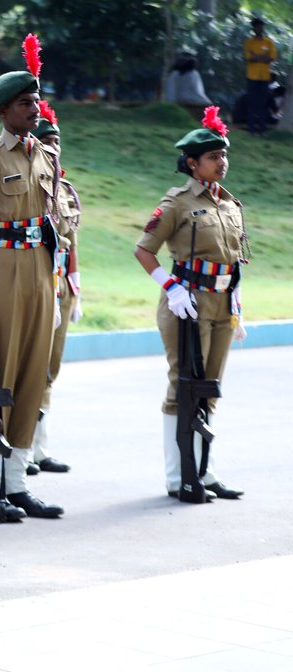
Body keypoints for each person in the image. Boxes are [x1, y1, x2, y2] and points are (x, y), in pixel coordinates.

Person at [0, 63, 64, 520]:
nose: (33, 109)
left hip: (40, 269)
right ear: (3, 110)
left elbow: (53, 225)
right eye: (24, 103)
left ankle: (18, 481)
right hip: (1, 265)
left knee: (33, 373)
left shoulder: (46, 156)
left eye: (35, 101)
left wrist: (57, 281)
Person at [133, 107, 246, 502]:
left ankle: (204, 472)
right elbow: (144, 250)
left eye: (224, 156)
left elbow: (232, 260)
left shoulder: (230, 205)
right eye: (214, 157)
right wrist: (171, 287)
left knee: (210, 387)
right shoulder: (177, 202)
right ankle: (177, 475)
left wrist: (236, 299)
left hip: (221, 304)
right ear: (193, 163)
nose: (222, 162)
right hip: (188, 304)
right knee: (183, 386)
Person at [29, 102, 79, 476]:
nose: (52, 147)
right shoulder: (31, 182)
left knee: (50, 368)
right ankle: (14, 445)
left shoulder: (65, 189)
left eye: (56, 141)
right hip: (29, 279)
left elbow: (70, 241)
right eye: (45, 140)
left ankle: (39, 447)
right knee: (25, 365)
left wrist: (75, 286)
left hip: (60, 283)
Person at [244, 18, 277, 134]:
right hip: (252, 76)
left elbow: (271, 58)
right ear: (253, 29)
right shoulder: (249, 42)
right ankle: (251, 129)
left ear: (263, 28)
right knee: (252, 103)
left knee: (263, 103)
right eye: (257, 26)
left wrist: (256, 57)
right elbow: (249, 58)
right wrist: (263, 57)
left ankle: (262, 129)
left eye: (261, 26)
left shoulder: (269, 42)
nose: (259, 28)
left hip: (264, 77)